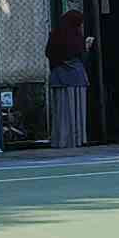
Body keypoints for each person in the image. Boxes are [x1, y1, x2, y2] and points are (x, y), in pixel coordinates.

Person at [46, 10, 91, 149]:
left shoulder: (55, 35)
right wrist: (87, 47)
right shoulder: (77, 37)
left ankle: (61, 139)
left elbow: (49, 53)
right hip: (76, 78)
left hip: (59, 78)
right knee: (76, 111)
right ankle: (76, 139)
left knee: (61, 112)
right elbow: (81, 56)